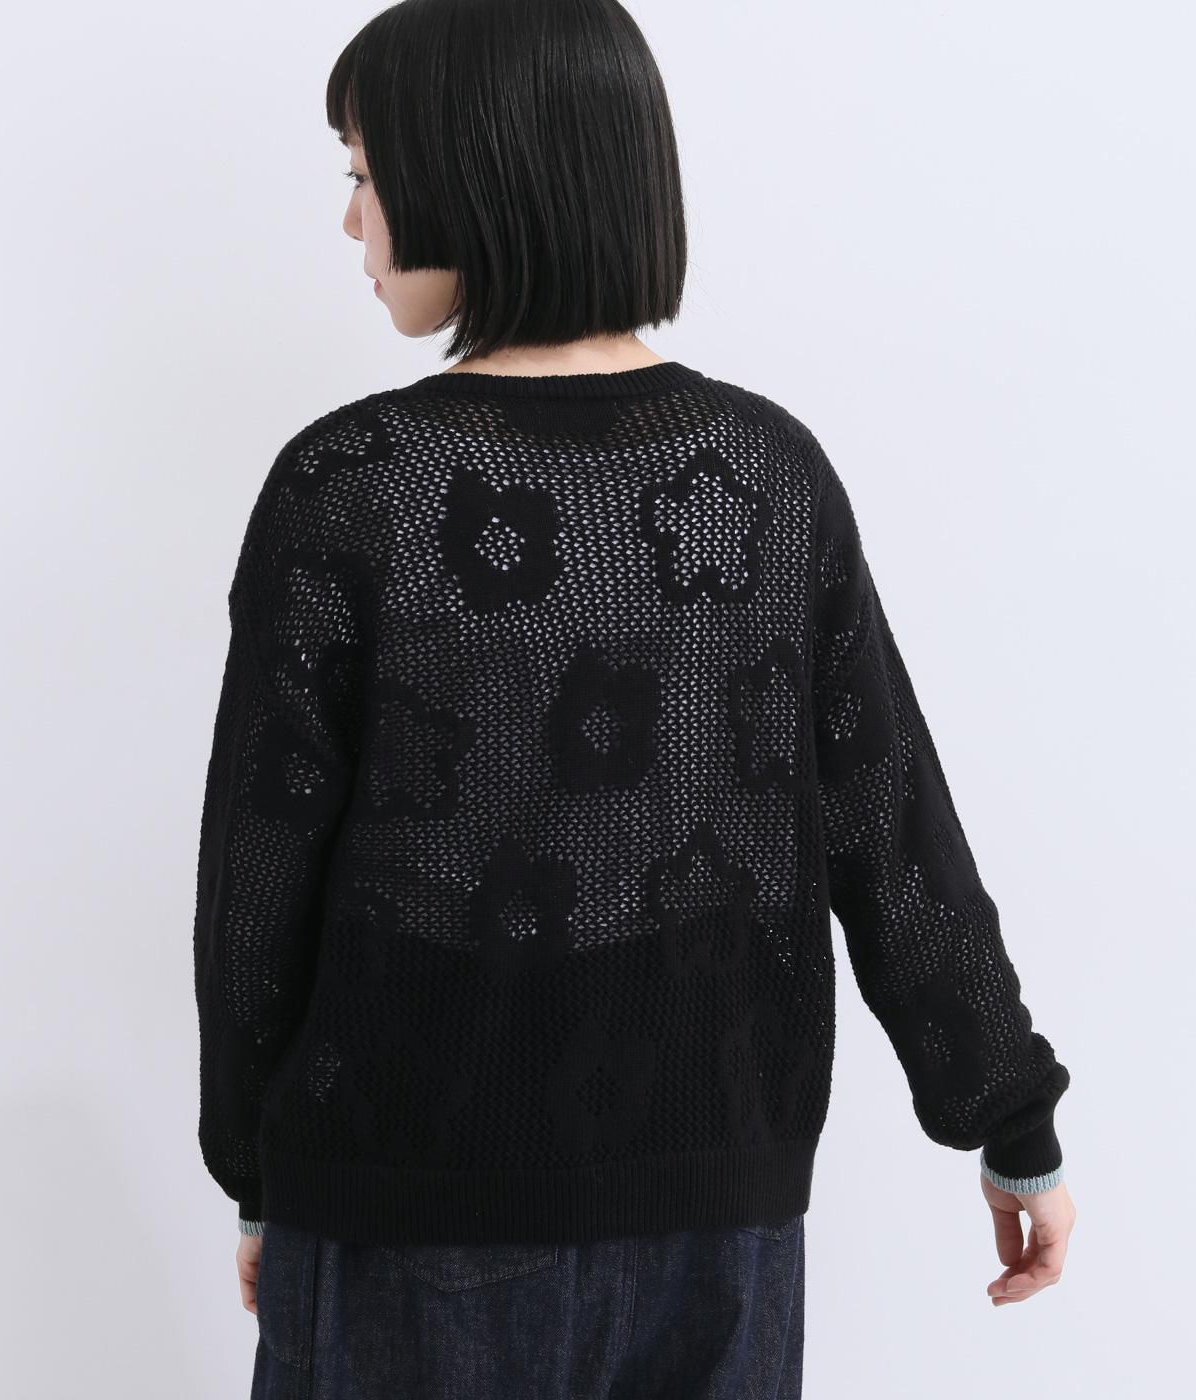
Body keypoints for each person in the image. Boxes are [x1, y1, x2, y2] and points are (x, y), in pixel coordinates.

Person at [191, 1, 1076, 1395]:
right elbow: (886, 816)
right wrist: (1009, 1119)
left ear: (474, 175)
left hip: (405, 1211)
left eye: (365, 174)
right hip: (716, 1226)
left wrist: (259, 1169)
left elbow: (259, 881)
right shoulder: (767, 474)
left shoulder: (351, 487)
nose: (350, 219)